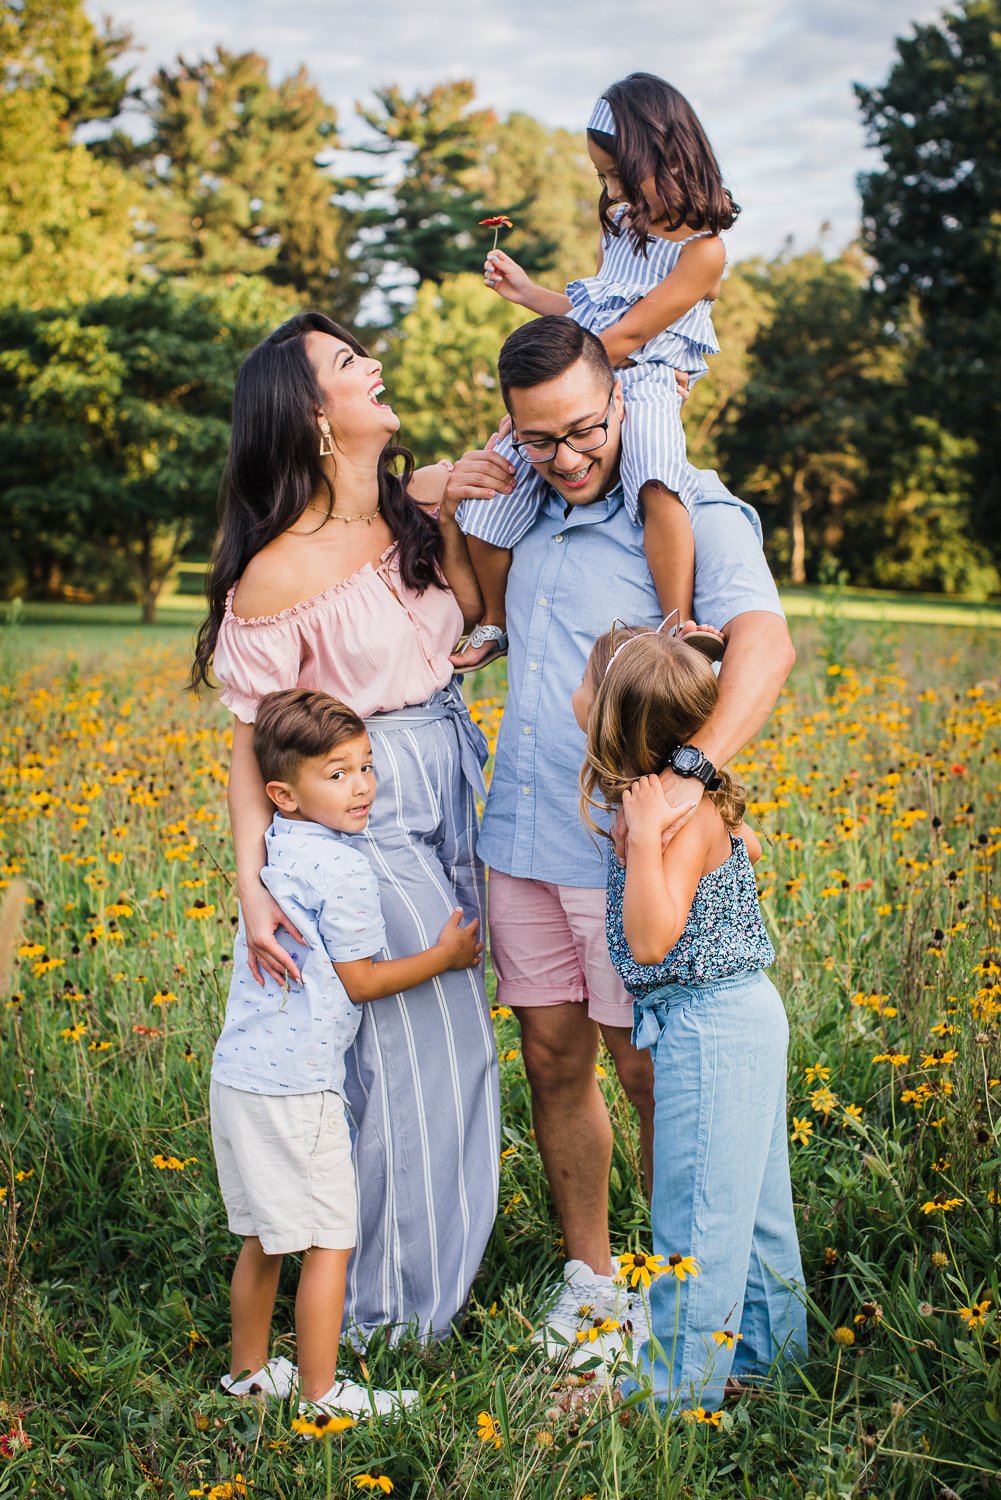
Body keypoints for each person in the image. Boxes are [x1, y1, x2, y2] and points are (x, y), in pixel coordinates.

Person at [452, 315, 795, 1363]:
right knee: (551, 1059)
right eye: (537, 439)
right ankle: (590, 1284)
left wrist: (690, 777)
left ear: (621, 400)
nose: (564, 458)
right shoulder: (522, 513)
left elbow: (765, 647)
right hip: (520, 836)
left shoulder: (688, 510)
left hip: (621, 853)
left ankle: (670, 1290)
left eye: (583, 431)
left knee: (648, 1076)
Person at [192, 311, 502, 1347]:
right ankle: (390, 1319)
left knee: (430, 1045)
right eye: (344, 361)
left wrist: (447, 506)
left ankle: (388, 1290)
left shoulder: (410, 511)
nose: (371, 364)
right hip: (364, 814)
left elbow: (470, 618)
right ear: (311, 417)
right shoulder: (278, 573)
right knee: (428, 1052)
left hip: (448, 779)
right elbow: (251, 745)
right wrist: (253, 887)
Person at [211, 689, 483, 1417]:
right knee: (331, 1240)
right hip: (299, 1087)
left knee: (265, 1239)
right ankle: (321, 1394)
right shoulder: (344, 868)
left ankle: (247, 1376)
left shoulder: (276, 847)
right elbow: (362, 982)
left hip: (239, 1077)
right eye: (337, 774)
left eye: (366, 766)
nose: (362, 786)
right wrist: (444, 956)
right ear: (283, 793)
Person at [577, 625, 807, 1409]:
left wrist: (644, 841)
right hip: (739, 1013)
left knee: (698, 1218)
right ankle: (771, 1366)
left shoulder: (671, 819)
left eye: (591, 694)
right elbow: (749, 848)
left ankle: (676, 1394)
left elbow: (651, 938)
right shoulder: (690, 797)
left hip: (710, 1025)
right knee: (753, 1206)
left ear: (617, 729)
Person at [454, 72, 736, 670]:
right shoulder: (622, 227)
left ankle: (677, 625)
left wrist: (557, 391)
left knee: (658, 479)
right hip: (585, 369)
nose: (611, 189)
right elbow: (592, 318)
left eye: (617, 175)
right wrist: (528, 294)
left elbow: (630, 336)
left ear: (664, 158)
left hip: (646, 377)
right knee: (498, 476)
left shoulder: (702, 252)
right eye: (604, 176)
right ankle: (494, 620)